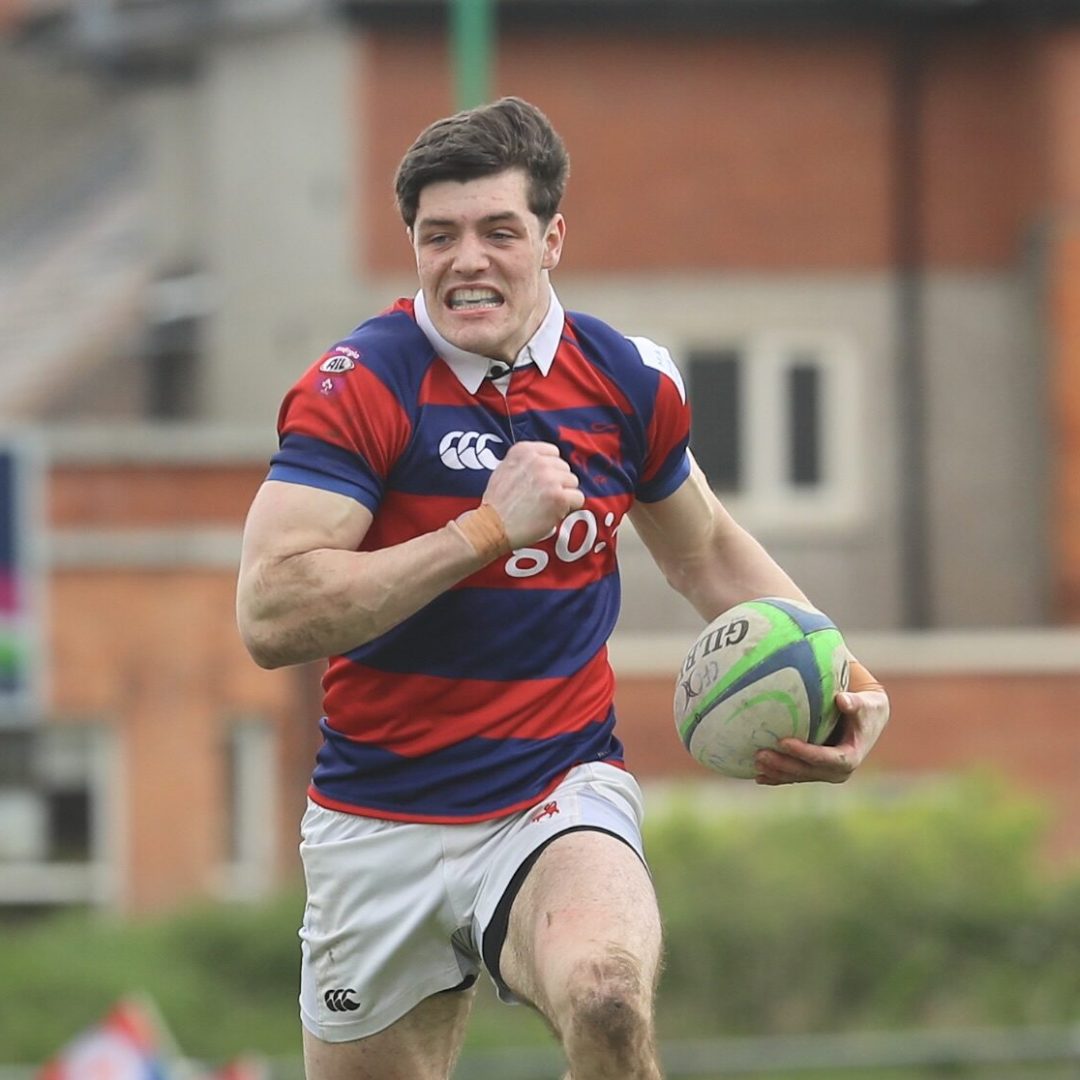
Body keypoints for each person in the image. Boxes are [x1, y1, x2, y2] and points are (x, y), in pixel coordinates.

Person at [235, 96, 890, 1080]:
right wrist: (484, 531)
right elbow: (271, 613)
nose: (468, 261)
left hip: (554, 791)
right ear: (409, 242)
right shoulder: (357, 386)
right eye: (439, 235)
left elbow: (703, 550)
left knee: (608, 998)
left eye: (499, 231)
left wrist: (844, 674)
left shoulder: (627, 380)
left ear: (552, 238)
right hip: (378, 820)